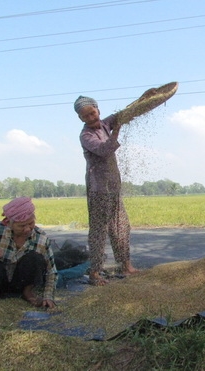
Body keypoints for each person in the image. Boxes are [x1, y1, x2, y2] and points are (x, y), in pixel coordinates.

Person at [74, 95, 138, 286]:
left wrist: (144, 100)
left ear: (98, 109)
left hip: (113, 186)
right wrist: (116, 132)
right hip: (99, 189)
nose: (91, 118)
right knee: (99, 231)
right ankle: (95, 272)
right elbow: (103, 150)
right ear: (81, 118)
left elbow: (123, 115)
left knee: (121, 227)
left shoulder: (104, 124)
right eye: (86, 116)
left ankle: (125, 265)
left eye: (93, 113)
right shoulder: (86, 135)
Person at [0, 197, 58, 309]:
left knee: (35, 258)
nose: (27, 229)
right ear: (9, 223)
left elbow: (51, 271)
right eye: (21, 226)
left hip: (21, 280)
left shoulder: (41, 238)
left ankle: (27, 292)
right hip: (0, 279)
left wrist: (48, 296)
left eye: (31, 223)